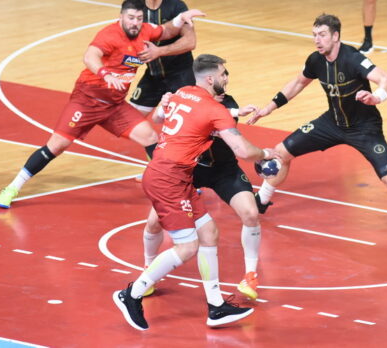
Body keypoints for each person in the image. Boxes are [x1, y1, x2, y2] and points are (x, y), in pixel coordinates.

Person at [248, 14, 387, 251]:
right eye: (314, 35)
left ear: (336, 36)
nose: (317, 40)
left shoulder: (353, 58)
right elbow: (298, 83)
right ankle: (261, 201)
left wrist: (376, 97)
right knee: (281, 153)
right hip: (331, 123)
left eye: (322, 35)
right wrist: (269, 108)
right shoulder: (315, 60)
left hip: (364, 128)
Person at [113, 54, 277, 331]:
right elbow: (242, 150)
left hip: (175, 175)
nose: (226, 78)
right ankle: (132, 294)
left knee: (209, 233)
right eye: (223, 74)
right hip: (168, 179)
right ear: (211, 78)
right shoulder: (214, 108)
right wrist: (265, 154)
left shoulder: (183, 93)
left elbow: (161, 117)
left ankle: (216, 307)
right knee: (187, 247)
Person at [0, 0, 205, 209]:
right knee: (56, 146)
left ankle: (172, 184)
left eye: (139, 19)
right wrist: (105, 74)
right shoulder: (109, 35)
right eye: (131, 18)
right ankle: (12, 188)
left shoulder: (145, 31)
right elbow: (90, 56)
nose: (135, 23)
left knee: (150, 136)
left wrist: (181, 18)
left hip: (114, 106)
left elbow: (166, 31)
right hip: (87, 101)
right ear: (121, 17)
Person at [142, 92, 262, 300]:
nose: (224, 83)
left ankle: (250, 275)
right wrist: (163, 104)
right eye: (221, 77)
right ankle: (148, 268)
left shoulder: (227, 103)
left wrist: (235, 112)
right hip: (190, 169)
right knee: (153, 222)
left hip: (224, 170)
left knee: (251, 213)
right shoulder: (187, 99)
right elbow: (157, 118)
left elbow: (214, 125)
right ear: (209, 80)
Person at [129, 0, 196, 116]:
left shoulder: (177, 6)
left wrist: (159, 51)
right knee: (131, 119)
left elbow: (190, 42)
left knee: (186, 122)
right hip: (153, 75)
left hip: (181, 76)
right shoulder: (137, 11)